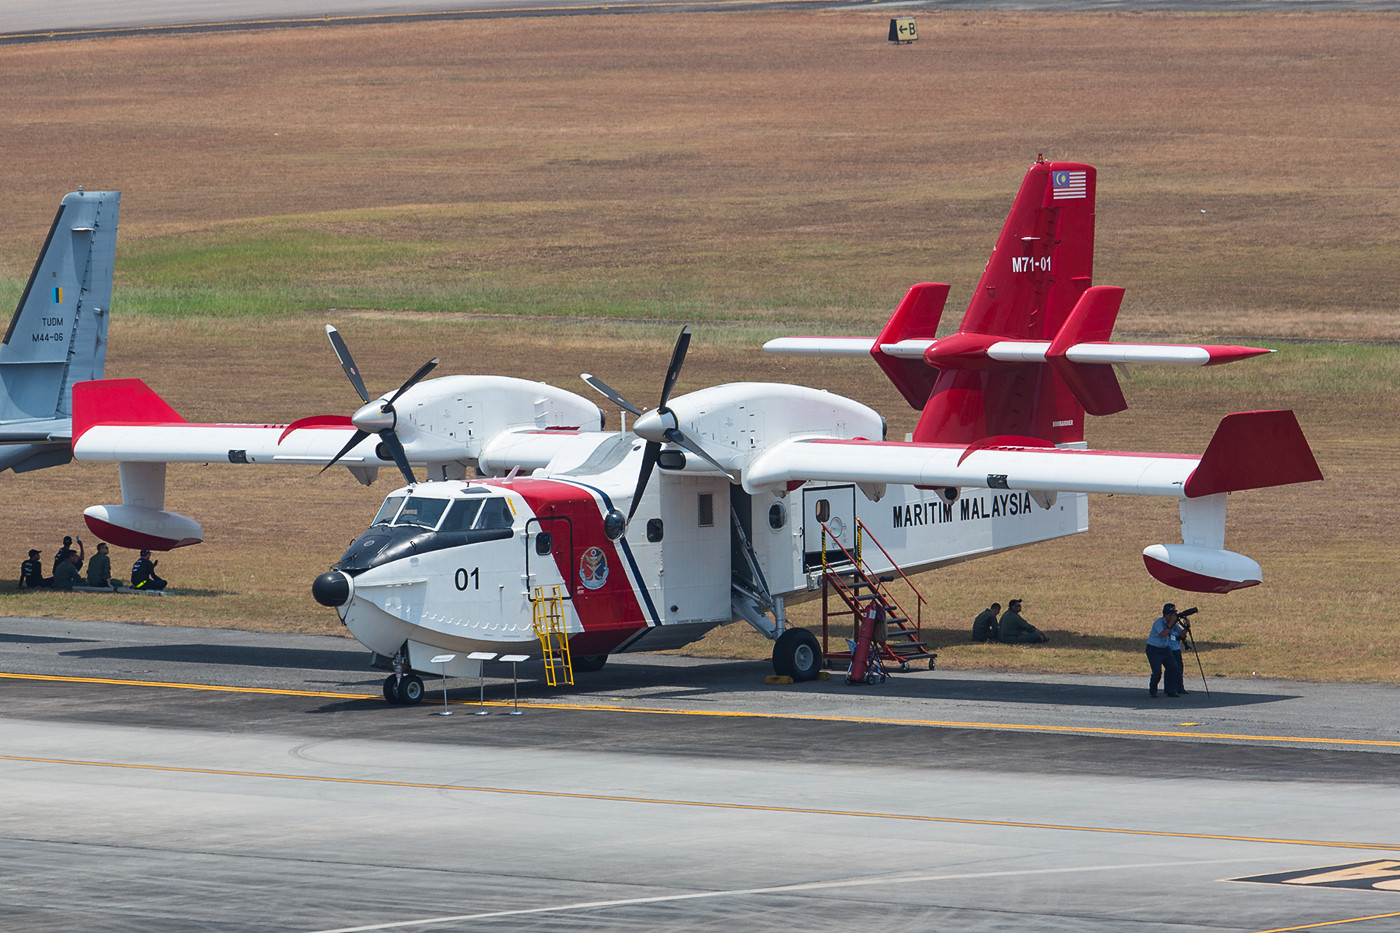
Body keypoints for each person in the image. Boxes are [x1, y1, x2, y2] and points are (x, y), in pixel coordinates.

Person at [1146, 602, 1188, 698]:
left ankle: (1171, 690)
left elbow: (1182, 634)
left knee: (1174, 668)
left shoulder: (1173, 624)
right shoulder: (1158, 622)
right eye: (1172, 614)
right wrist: (1170, 624)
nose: (1174, 616)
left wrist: (1187, 627)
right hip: (1153, 649)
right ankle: (1153, 690)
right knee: (1157, 672)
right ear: (1166, 615)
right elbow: (1163, 634)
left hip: (1165, 649)